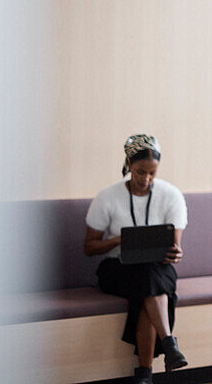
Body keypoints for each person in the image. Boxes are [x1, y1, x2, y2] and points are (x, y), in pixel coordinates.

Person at [84, 135, 188, 384]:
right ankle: (168, 345)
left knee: (148, 282)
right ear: (129, 164)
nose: (146, 179)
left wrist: (176, 253)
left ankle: (144, 375)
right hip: (117, 268)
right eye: (141, 172)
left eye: (152, 173)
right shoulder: (107, 197)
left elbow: (174, 245)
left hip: (158, 267)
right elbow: (89, 247)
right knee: (150, 284)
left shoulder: (171, 195)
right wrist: (119, 240)